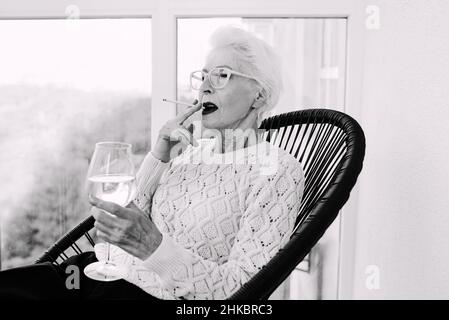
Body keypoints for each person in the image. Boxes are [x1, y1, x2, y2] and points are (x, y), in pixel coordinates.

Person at [0, 26, 305, 300]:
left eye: (222, 75)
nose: (204, 88)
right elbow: (125, 224)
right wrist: (158, 158)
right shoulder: (189, 151)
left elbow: (243, 289)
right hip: (95, 274)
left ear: (259, 94)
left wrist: (154, 249)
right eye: (203, 76)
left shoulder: (276, 170)